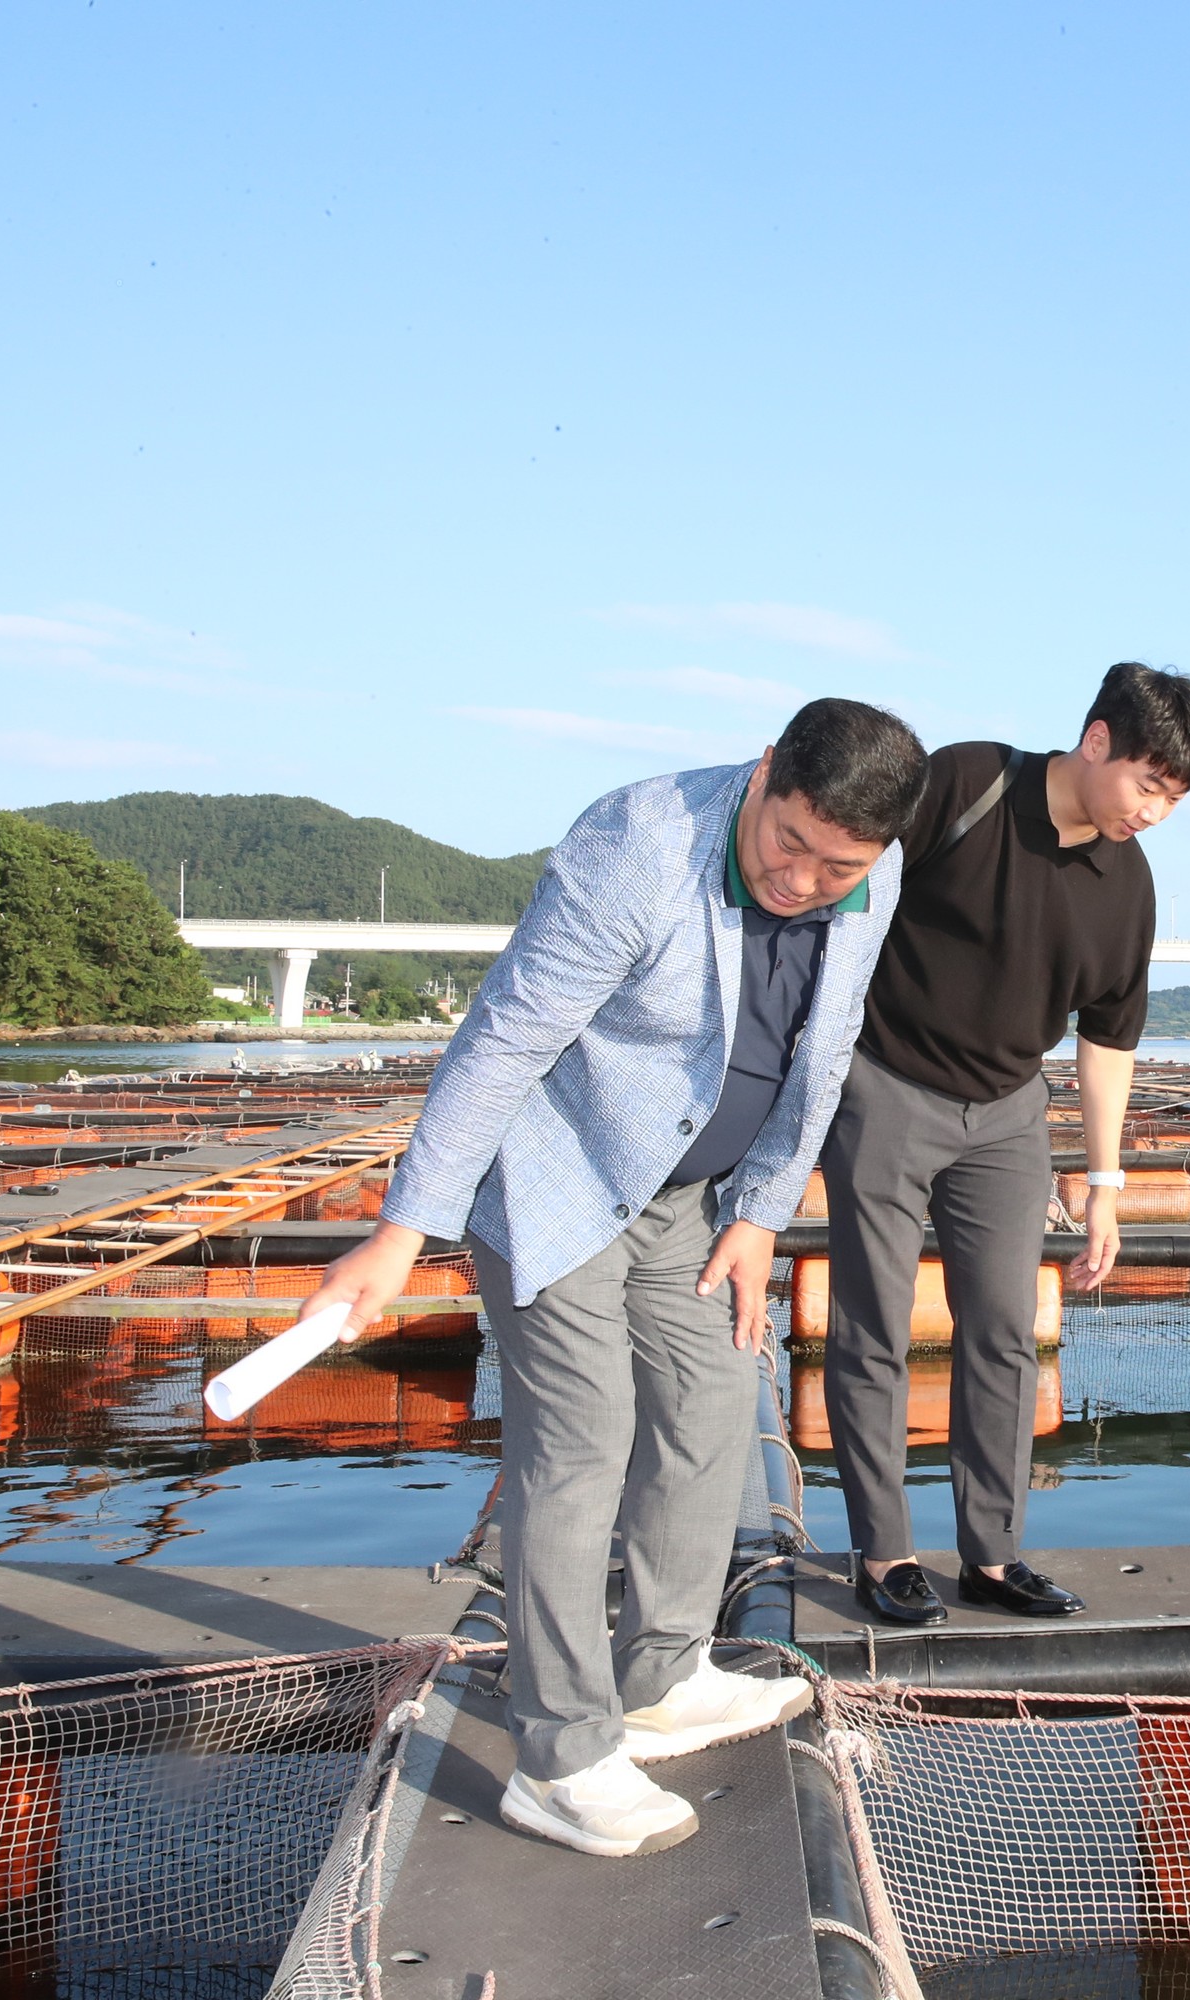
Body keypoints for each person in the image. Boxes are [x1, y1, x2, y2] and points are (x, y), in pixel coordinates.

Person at [297, 699, 926, 1858]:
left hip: (696, 1200)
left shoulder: (866, 882)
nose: (804, 879)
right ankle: (561, 1749)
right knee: (581, 1437)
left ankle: (662, 1668)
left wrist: (757, 1215)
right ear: (763, 771)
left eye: (840, 865)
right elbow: (504, 1039)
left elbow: (821, 1057)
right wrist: (403, 1227)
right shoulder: (637, 846)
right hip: (562, 1179)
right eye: (790, 842)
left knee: (709, 1403)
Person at [823, 662, 1190, 1625]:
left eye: (1175, 800)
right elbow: (847, 892)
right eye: (1150, 786)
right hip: (884, 1084)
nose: (1156, 814)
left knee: (1004, 1332)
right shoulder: (967, 784)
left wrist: (1106, 1182)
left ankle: (992, 1556)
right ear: (1096, 742)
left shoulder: (1129, 887)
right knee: (874, 1325)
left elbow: (1108, 1039)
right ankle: (883, 1553)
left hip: (1006, 1115)